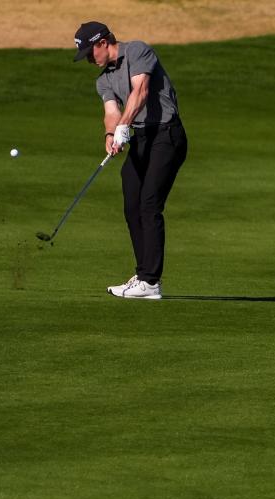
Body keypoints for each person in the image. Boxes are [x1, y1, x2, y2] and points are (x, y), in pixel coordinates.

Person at [73, 21, 188, 299]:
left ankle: (151, 281)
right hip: (141, 138)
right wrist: (112, 134)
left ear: (102, 43)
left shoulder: (137, 51)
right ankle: (143, 276)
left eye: (90, 53)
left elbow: (141, 91)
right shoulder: (103, 79)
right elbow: (111, 111)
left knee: (149, 203)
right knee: (132, 201)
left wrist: (125, 125)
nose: (90, 59)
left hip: (166, 135)